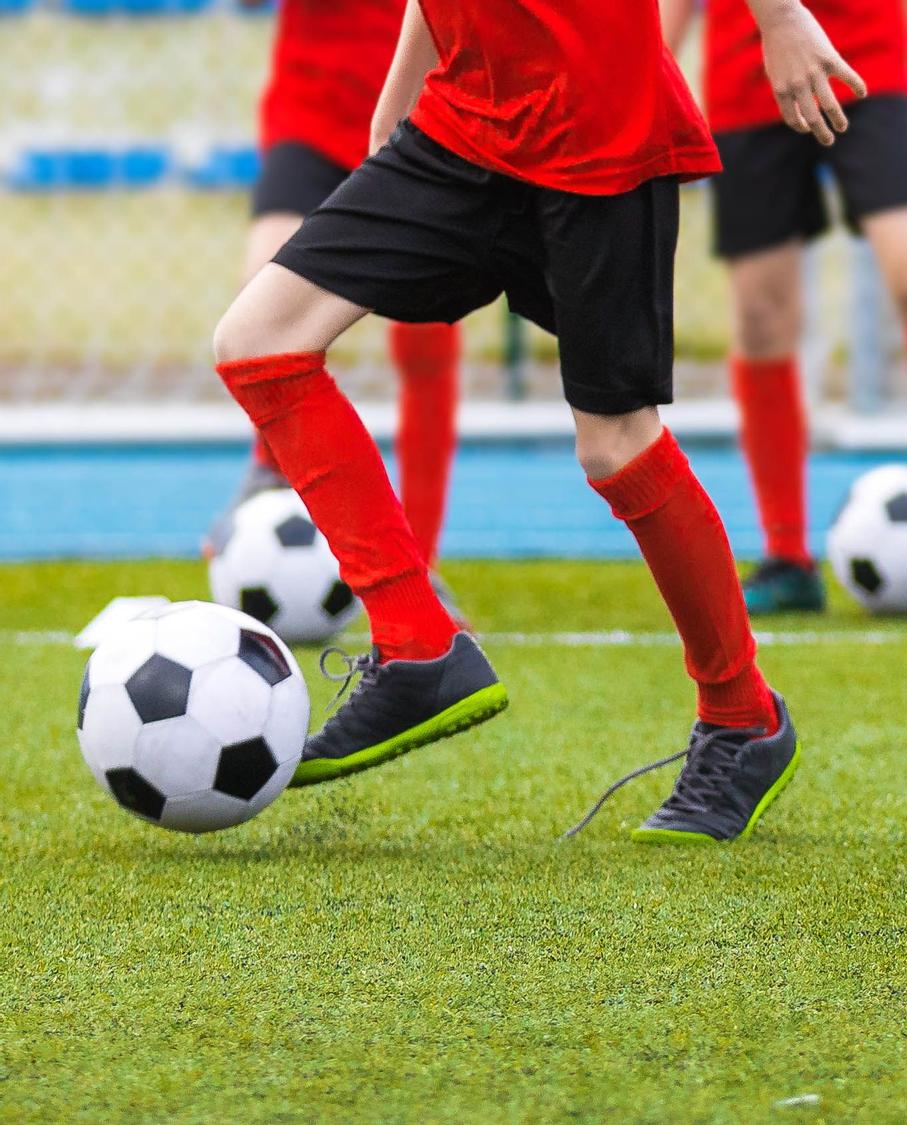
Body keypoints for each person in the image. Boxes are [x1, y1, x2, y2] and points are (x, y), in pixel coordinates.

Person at [209, 0, 864, 843]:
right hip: (462, 121)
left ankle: (744, 718)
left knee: (615, 447)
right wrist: (402, 87)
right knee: (258, 341)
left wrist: (777, 17)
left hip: (601, 128)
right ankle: (418, 644)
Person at [662, 0, 907, 615]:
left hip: (869, 70)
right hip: (746, 79)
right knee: (762, 319)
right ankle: (788, 557)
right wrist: (657, 79)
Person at [205, 0, 460, 581]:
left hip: (422, 127)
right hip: (313, 113)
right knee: (260, 296)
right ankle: (270, 472)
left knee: (428, 339)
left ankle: (420, 561)